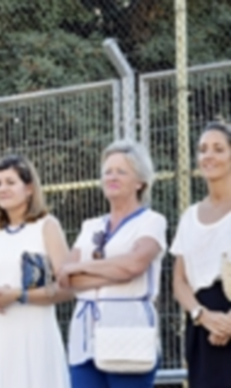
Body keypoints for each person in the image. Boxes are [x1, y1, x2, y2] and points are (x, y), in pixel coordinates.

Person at [58, 139, 167, 388]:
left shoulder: (152, 222)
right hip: (84, 340)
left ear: (140, 181)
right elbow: (66, 278)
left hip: (128, 336)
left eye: (121, 171)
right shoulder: (90, 226)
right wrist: (113, 272)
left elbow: (133, 265)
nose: (112, 177)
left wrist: (81, 267)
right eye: (107, 171)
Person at [0, 155, 71, 388]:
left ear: (29, 189)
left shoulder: (47, 226)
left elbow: (68, 287)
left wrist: (18, 295)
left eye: (10, 182)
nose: (2, 189)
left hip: (35, 334)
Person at [171, 122, 231, 387]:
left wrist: (228, 323)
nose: (209, 155)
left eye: (218, 149)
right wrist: (202, 316)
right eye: (203, 149)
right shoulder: (189, 217)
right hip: (201, 325)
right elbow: (179, 281)